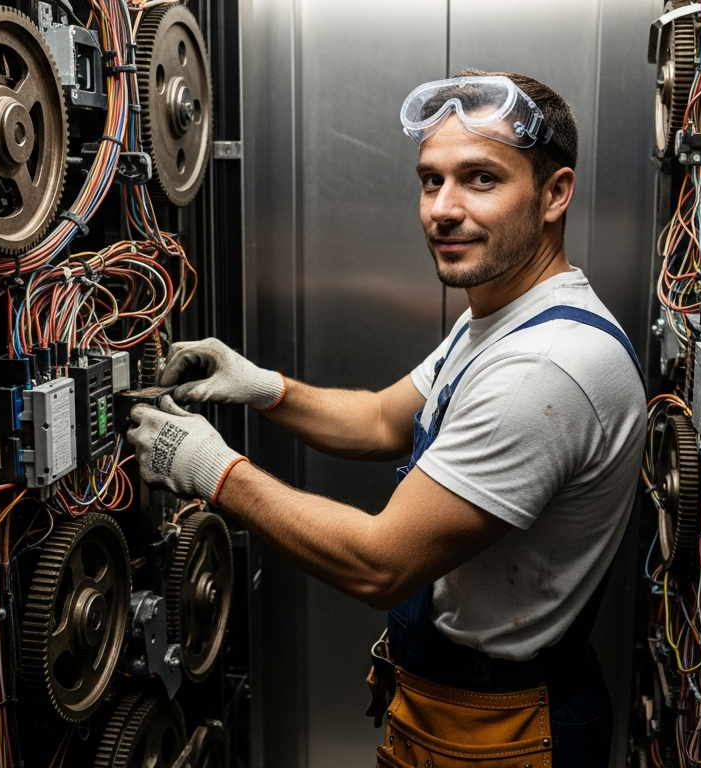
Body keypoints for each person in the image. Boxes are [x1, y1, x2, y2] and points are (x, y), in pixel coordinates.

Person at [126, 71, 646, 767]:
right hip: (451, 710)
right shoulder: (500, 322)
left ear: (554, 194)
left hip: (502, 735)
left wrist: (211, 469)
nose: (444, 209)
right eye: (431, 181)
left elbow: (380, 565)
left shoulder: (545, 366)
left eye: (481, 179)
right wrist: (262, 387)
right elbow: (380, 421)